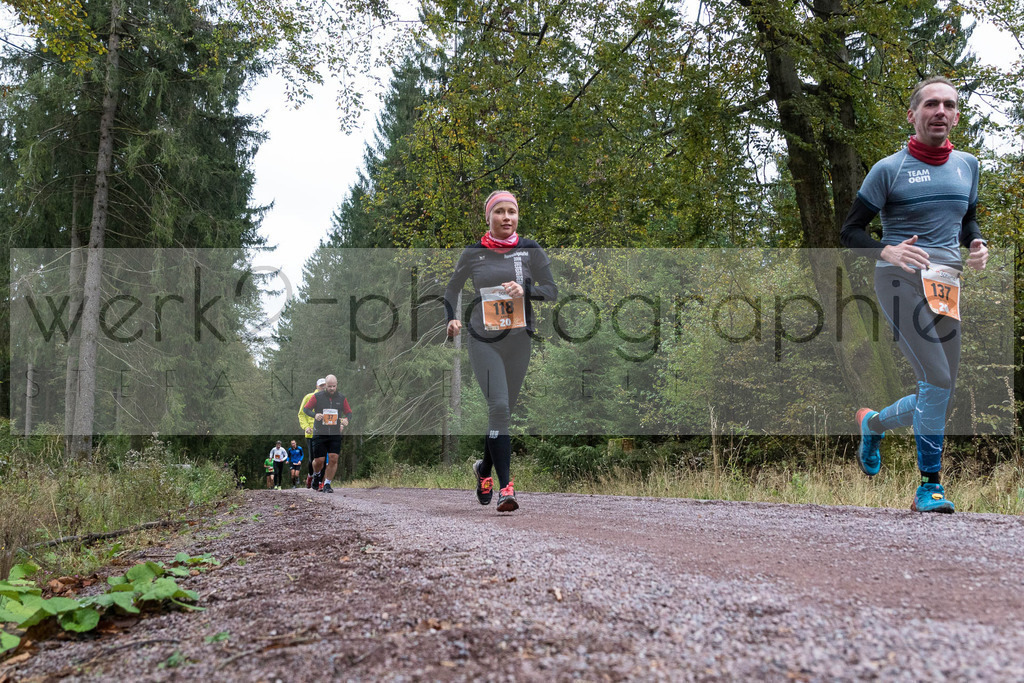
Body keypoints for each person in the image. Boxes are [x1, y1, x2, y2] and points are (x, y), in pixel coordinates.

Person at [840, 76, 988, 513]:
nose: (940, 111)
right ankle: (930, 487)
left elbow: (967, 219)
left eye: (948, 105)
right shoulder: (890, 169)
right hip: (899, 279)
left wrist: (975, 244)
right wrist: (885, 248)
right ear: (913, 115)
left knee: (939, 386)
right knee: (938, 379)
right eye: (930, 105)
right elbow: (849, 231)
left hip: (946, 284)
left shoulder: (968, 165)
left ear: (956, 115)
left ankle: (874, 424)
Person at [444, 190, 558, 512]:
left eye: (512, 212)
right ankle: (506, 489)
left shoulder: (530, 250)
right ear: (489, 218)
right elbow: (452, 288)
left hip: (519, 341)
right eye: (500, 212)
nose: (507, 217)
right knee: (499, 405)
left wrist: (527, 290)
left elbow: (552, 291)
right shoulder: (474, 252)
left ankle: (483, 470)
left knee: (502, 414)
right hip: (484, 339)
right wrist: (451, 317)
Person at [302, 374, 352, 493]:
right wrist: (315, 415)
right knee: (319, 460)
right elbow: (306, 409)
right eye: (329, 386)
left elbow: (349, 412)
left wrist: (346, 420)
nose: (332, 389)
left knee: (334, 458)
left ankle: (327, 484)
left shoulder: (341, 398)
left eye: (334, 386)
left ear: (336, 385)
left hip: (334, 433)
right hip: (320, 432)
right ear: (325, 386)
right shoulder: (317, 396)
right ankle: (316, 474)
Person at [299, 378, 326, 488]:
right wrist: (305, 427)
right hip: (311, 433)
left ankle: (320, 483)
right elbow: (301, 414)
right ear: (317, 386)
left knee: (322, 459)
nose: (323, 388)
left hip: (324, 433)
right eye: (321, 386)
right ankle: (311, 475)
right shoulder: (309, 397)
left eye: (325, 386)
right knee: (313, 460)